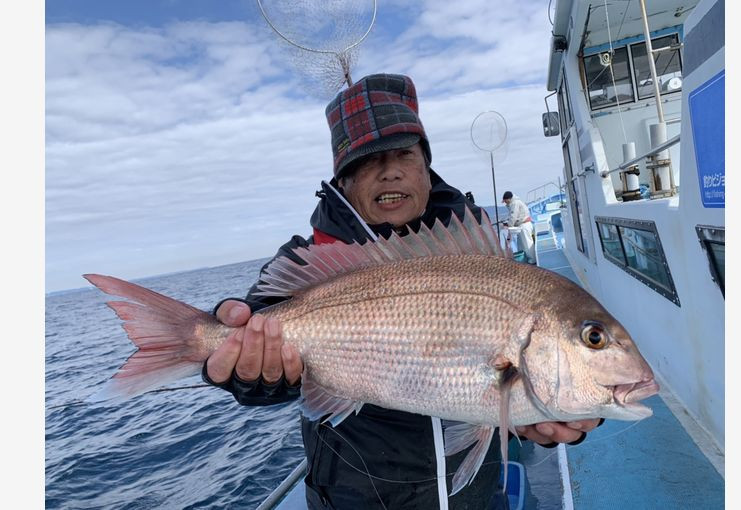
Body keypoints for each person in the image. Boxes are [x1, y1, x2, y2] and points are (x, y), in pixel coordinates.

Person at [202, 74, 601, 509]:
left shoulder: (483, 255)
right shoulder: (305, 261)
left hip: (476, 496)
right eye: (368, 159)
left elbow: (519, 381)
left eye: (405, 154)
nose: (390, 169)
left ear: (426, 167)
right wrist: (244, 368)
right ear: (344, 179)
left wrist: (564, 403)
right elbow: (251, 341)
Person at [502, 191, 535, 264]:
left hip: (524, 225)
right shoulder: (514, 202)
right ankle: (526, 261)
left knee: (527, 244)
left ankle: (533, 261)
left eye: (505, 201)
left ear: (508, 199)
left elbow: (513, 216)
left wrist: (509, 225)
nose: (505, 203)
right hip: (521, 225)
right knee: (521, 246)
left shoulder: (514, 203)